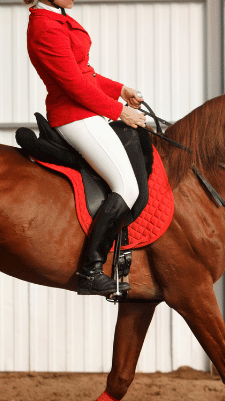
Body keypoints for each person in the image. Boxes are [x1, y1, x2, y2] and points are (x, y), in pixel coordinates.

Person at [26, 0, 147, 296]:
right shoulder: (44, 26)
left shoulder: (58, 17)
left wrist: (120, 90)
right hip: (73, 115)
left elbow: (85, 73)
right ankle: (91, 271)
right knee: (127, 187)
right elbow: (73, 85)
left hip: (86, 111)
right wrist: (120, 112)